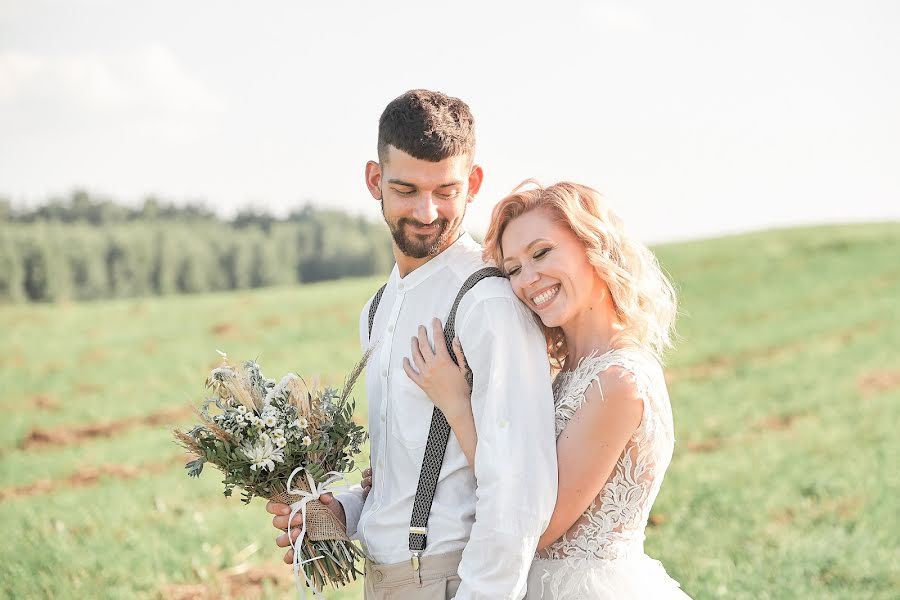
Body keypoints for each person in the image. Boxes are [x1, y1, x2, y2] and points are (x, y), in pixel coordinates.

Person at [266, 90, 558, 599]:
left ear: (474, 183)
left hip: (453, 579)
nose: (427, 212)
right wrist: (345, 511)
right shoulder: (377, 309)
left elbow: (518, 490)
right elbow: (406, 477)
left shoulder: (486, 303)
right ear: (375, 181)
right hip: (387, 581)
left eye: (446, 190)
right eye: (406, 189)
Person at [388, 181, 691, 598]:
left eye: (541, 253)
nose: (528, 279)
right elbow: (517, 470)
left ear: (592, 244)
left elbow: (538, 524)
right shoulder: (566, 371)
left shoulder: (619, 382)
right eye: (513, 269)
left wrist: (456, 405)